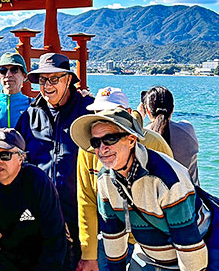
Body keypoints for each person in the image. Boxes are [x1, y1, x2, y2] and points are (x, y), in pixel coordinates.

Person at [71, 107, 216, 271]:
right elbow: (113, 238)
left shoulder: (168, 180)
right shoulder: (104, 179)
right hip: (150, 254)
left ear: (132, 140)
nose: (102, 149)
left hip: (198, 250)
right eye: (96, 142)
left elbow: (189, 249)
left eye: (110, 139)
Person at [76, 87, 173, 271]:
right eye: (98, 112)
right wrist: (88, 254)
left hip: (153, 243)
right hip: (109, 238)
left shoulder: (154, 143)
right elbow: (86, 200)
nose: (103, 117)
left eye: (112, 112)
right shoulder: (89, 147)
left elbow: (174, 198)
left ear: (128, 114)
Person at [15, 52, 94, 271]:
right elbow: (18, 166)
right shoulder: (30, 115)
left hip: (80, 219)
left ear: (69, 79)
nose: (47, 85)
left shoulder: (88, 111)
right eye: (42, 80)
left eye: (54, 79)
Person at [0, 128, 66, 270]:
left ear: (21, 157)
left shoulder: (39, 182)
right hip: (9, 260)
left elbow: (54, 238)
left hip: (44, 259)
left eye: (5, 155)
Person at [142, 86, 199, 185]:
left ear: (147, 111)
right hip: (193, 197)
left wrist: (138, 117)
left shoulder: (142, 136)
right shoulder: (188, 129)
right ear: (172, 109)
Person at [0, 52, 31, 128]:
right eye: (3, 70)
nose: (8, 75)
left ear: (24, 76)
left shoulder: (33, 106)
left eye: (14, 70)